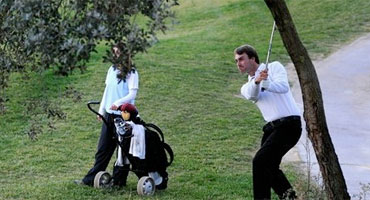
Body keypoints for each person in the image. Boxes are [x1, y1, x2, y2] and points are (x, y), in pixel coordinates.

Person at [234, 44, 301, 200]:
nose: (238, 64)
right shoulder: (246, 87)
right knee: (269, 167)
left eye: (241, 59)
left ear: (252, 58)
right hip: (272, 129)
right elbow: (253, 95)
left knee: (260, 162)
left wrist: (267, 83)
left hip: (289, 125)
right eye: (236, 61)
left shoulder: (274, 67)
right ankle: (291, 198)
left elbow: (284, 87)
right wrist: (257, 81)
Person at [74, 42, 139, 187]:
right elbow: (106, 91)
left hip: (124, 115)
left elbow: (132, 93)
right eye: (114, 52)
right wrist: (102, 110)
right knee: (103, 148)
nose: (116, 55)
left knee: (122, 151)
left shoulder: (131, 72)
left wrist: (119, 103)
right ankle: (90, 179)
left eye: (118, 52)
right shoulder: (111, 69)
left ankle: (119, 181)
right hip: (109, 115)